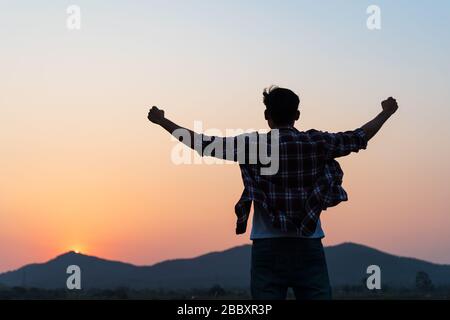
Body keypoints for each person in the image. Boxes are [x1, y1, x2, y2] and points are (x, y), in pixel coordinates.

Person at [147, 86, 398, 300]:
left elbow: (203, 143)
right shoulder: (317, 143)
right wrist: (385, 113)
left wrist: (162, 121)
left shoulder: (254, 146)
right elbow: (359, 137)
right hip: (309, 245)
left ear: (267, 115)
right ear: (297, 115)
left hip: (267, 247)